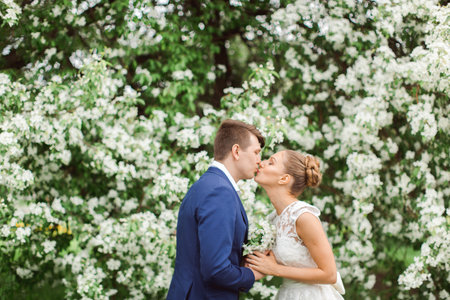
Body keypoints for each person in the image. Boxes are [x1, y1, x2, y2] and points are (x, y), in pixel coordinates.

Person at [167, 119, 266, 300]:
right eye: (256, 152)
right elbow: (216, 269)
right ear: (236, 151)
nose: (260, 161)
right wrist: (252, 274)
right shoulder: (220, 192)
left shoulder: (207, 184)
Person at [246, 150, 345, 299]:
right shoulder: (273, 219)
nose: (262, 162)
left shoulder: (303, 216)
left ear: (284, 178)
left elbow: (329, 274)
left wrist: (275, 269)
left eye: (271, 162)